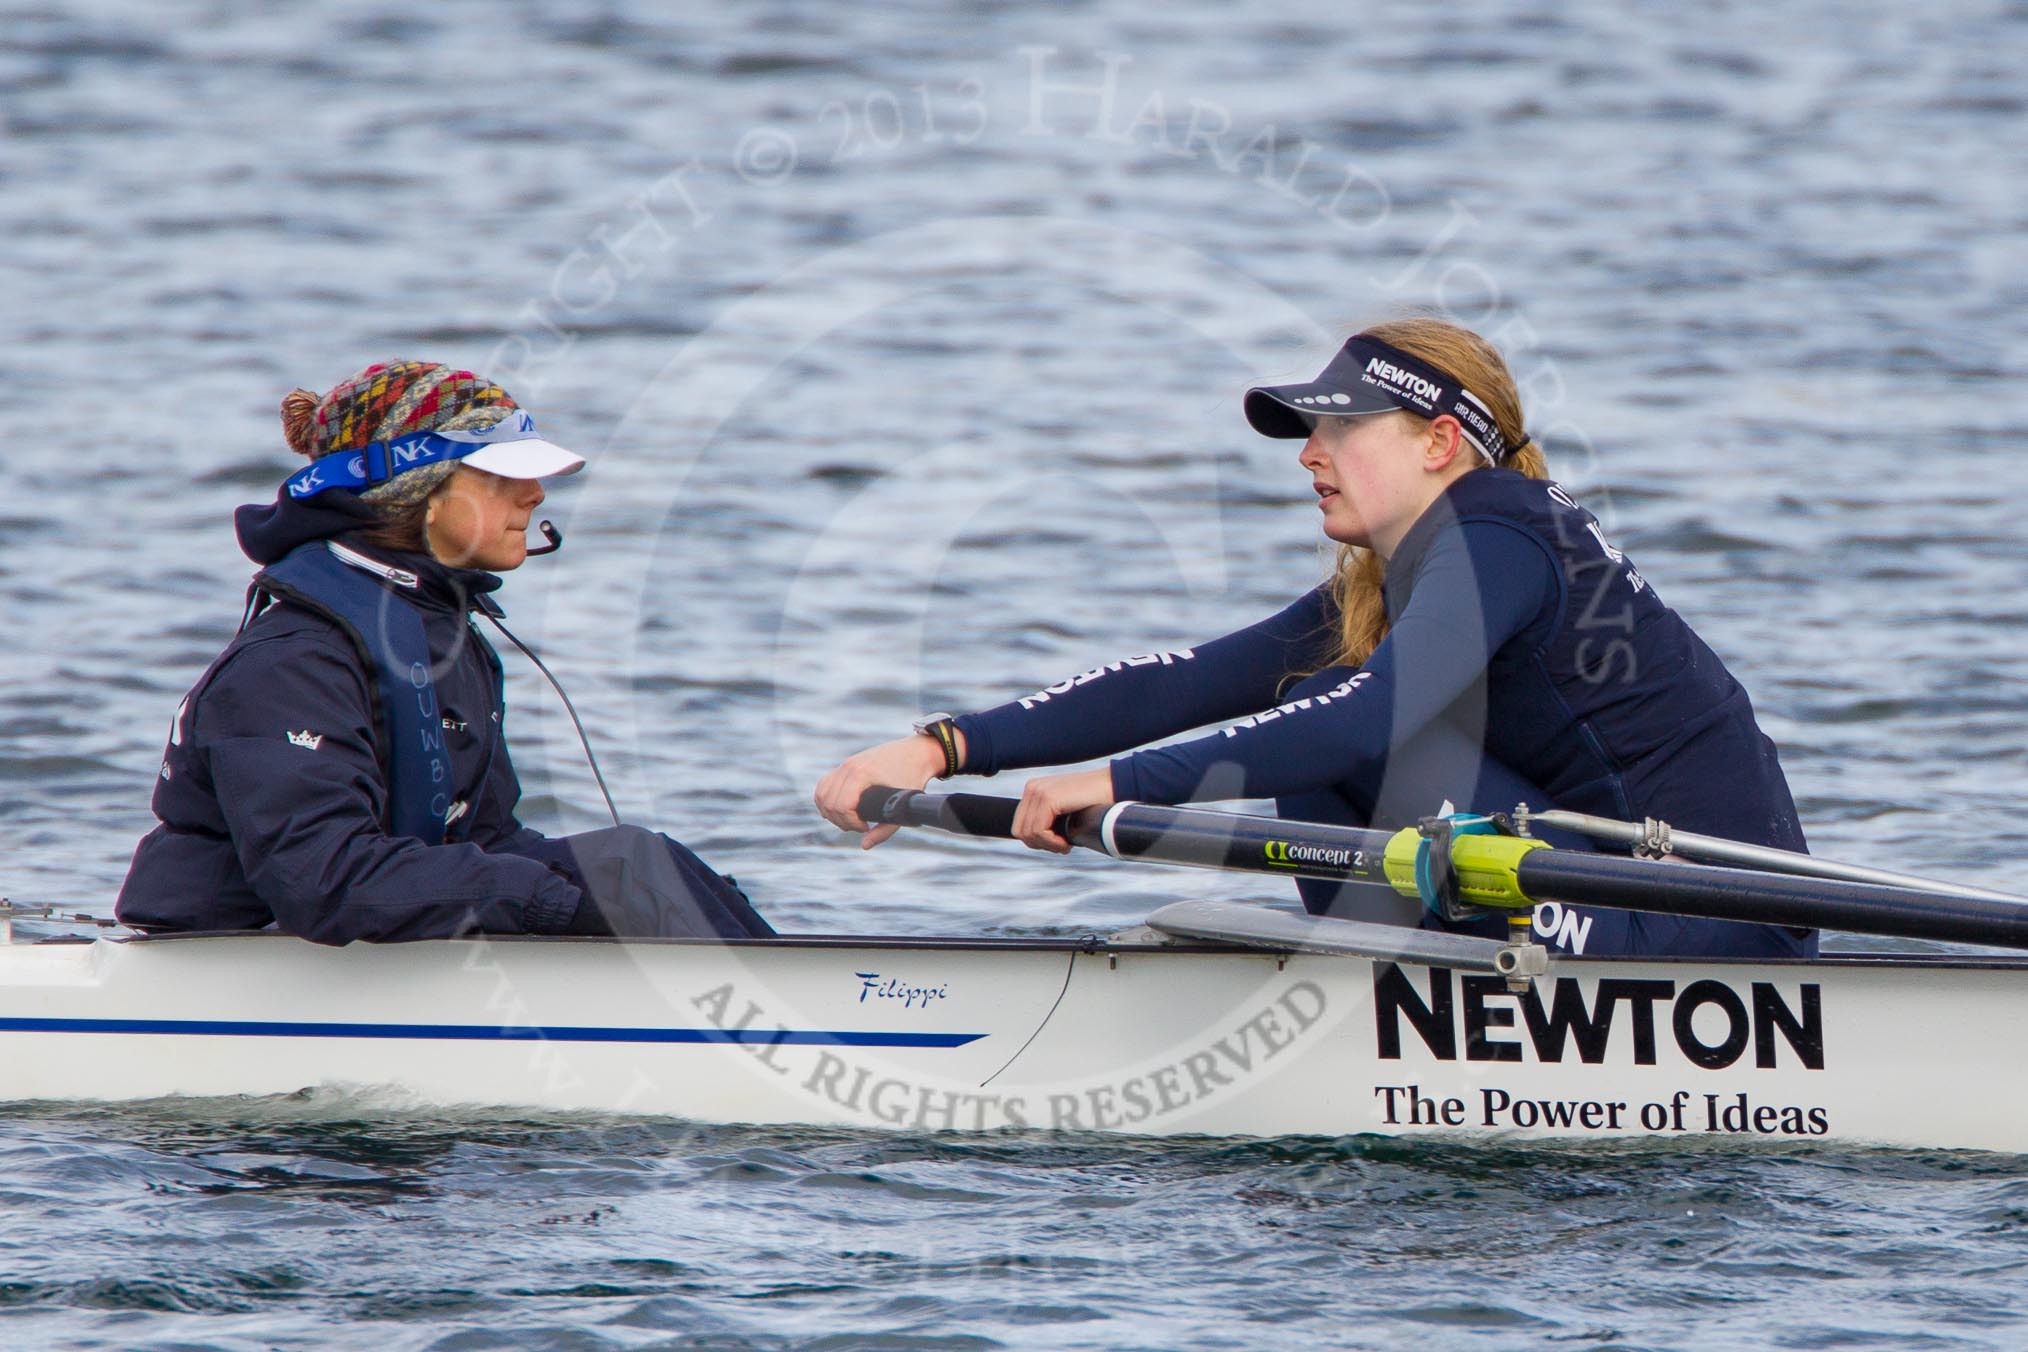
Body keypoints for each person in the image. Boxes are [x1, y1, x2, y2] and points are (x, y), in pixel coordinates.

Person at [815, 318, 1814, 959]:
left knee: (1325, 718)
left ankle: (1379, 992)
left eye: (1340, 429)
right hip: (1613, 885)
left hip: (1712, 923)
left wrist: (1121, 783)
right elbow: (1191, 677)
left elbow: (1368, 718)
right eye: (1309, 432)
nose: (1307, 454)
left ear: (1438, 443)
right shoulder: (1417, 564)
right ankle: (1387, 983)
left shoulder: (1499, 531)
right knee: (1304, 698)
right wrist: (942, 745)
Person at [118, 360, 773, 945]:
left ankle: (795, 987)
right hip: (237, 966)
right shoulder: (292, 662)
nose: (536, 494)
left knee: (634, 860)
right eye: (500, 477)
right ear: (416, 492)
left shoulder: (442, 633)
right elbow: (326, 882)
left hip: (365, 947)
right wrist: (553, 906)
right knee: (600, 882)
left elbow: (483, 845)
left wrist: (613, 891)